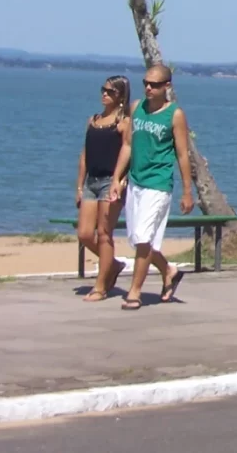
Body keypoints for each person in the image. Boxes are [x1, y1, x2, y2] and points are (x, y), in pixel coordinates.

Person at [115, 65, 194, 310]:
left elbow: (182, 154)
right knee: (139, 239)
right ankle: (169, 270)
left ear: (167, 86)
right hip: (136, 182)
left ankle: (135, 292)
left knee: (143, 238)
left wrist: (187, 192)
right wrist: (117, 178)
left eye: (155, 84)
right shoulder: (136, 107)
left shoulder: (175, 114)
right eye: (146, 83)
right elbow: (127, 144)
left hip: (158, 184)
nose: (149, 88)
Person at [75, 76, 132, 301]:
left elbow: (128, 152)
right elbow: (84, 155)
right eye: (103, 90)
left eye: (110, 91)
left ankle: (100, 285)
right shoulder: (93, 120)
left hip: (111, 182)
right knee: (85, 234)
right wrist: (79, 186)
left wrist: (120, 179)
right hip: (92, 181)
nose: (104, 94)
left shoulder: (124, 123)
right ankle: (114, 265)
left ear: (120, 96)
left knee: (104, 233)